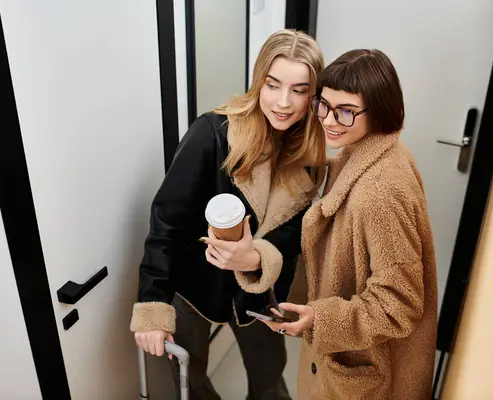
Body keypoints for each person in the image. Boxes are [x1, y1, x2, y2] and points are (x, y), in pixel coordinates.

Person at [129, 29, 326, 400]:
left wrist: (256, 258)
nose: (283, 102)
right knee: (192, 381)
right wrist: (153, 304)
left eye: (299, 90)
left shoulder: (311, 158)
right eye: (273, 85)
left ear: (312, 96)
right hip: (193, 288)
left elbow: (291, 237)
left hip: (260, 296)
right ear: (258, 83)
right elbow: (166, 223)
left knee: (270, 379)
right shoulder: (213, 134)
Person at [237, 49, 438, 399]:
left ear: (379, 110)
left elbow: (399, 304)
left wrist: (320, 319)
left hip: (370, 376)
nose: (329, 120)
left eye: (346, 111)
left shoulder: (380, 192)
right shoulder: (369, 154)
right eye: (324, 105)